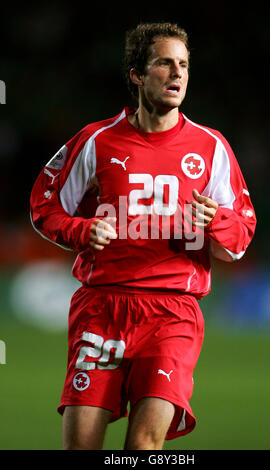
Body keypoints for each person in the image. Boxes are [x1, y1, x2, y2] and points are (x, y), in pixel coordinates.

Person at [30, 22, 256, 450]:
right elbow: (44, 203)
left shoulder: (211, 147)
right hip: (101, 308)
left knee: (143, 447)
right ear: (137, 74)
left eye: (184, 65)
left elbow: (240, 238)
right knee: (81, 445)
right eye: (164, 63)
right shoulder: (97, 141)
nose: (177, 74)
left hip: (173, 312)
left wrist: (216, 221)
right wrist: (81, 230)